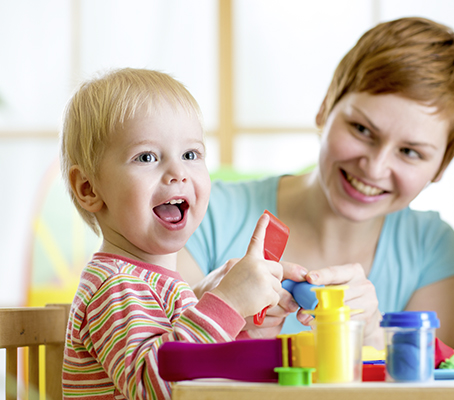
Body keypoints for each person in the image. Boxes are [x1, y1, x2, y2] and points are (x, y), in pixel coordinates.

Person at [179, 17, 454, 349]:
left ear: (442, 165)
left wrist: (373, 338)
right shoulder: (205, 211)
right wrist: (210, 305)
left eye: (410, 152)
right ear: (325, 107)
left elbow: (434, 386)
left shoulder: (431, 246)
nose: (375, 167)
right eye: (362, 130)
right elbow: (151, 365)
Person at [60, 68, 290, 399]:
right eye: (147, 157)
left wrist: (244, 326)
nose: (178, 172)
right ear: (89, 188)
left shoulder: (163, 284)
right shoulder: (116, 286)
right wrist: (228, 303)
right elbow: (156, 384)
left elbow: (202, 369)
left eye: (190, 154)